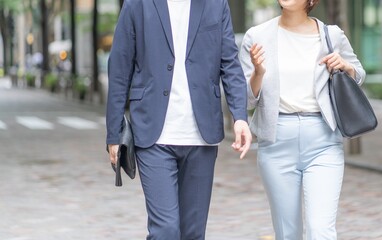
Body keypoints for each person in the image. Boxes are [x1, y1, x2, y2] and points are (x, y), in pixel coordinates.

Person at [106, 0, 252, 239]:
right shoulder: (138, 4)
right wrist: (114, 133)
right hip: (153, 135)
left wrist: (239, 117)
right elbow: (120, 68)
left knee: (193, 233)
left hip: (201, 137)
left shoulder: (216, 4)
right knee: (165, 230)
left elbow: (230, 64)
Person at [239, 0, 365, 239]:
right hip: (276, 142)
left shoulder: (332, 35)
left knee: (321, 230)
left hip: (323, 141)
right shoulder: (256, 36)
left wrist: (345, 65)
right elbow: (247, 100)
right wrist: (258, 72)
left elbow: (358, 74)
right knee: (288, 233)